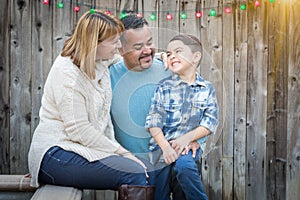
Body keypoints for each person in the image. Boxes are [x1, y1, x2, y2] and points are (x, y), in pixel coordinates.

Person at [28, 10, 154, 199]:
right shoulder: (68, 74)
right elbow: (80, 130)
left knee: (147, 169)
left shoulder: (99, 58)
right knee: (134, 172)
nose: (118, 45)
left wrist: (162, 56)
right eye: (113, 42)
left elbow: (125, 55)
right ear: (94, 43)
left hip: (80, 148)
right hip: (55, 154)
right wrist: (122, 152)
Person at [145, 34, 219, 200]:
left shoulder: (206, 88)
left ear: (196, 56)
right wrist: (166, 147)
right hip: (162, 151)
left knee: (185, 169)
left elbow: (210, 122)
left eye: (178, 51)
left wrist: (187, 139)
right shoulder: (164, 87)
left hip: (188, 149)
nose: (172, 56)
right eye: (169, 53)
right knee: (159, 193)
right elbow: (153, 122)